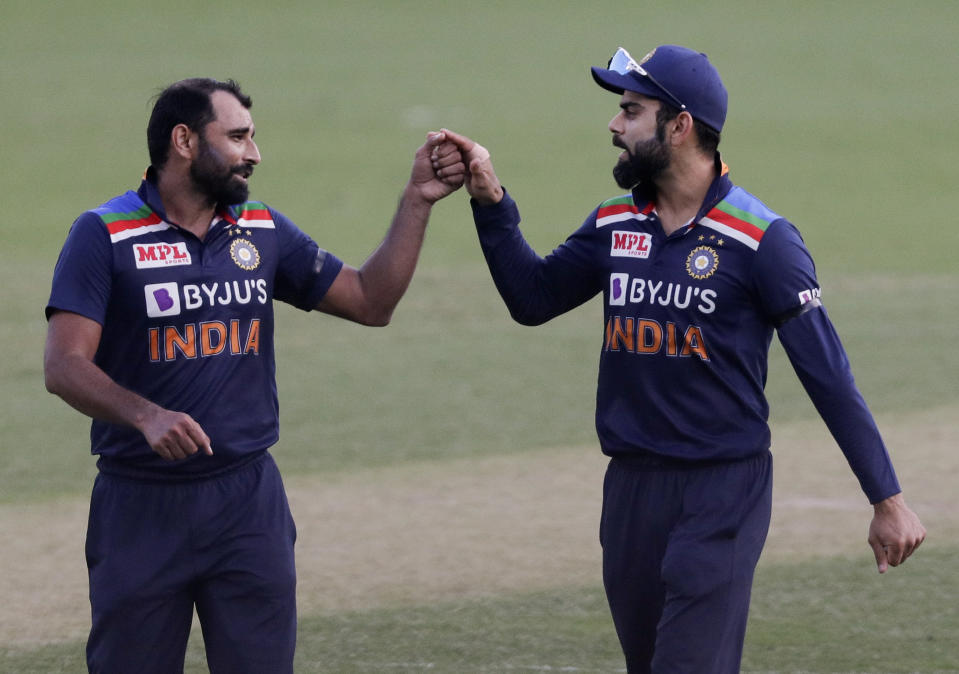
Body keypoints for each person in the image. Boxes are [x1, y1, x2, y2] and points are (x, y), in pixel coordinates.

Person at [440, 45, 926, 673]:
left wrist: (886, 497)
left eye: (631, 111)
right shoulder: (618, 221)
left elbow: (827, 373)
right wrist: (491, 202)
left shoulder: (763, 240)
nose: (615, 126)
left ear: (680, 125)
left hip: (722, 489)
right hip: (631, 492)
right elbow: (533, 299)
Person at [43, 77, 465, 673]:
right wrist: (146, 415)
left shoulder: (260, 228)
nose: (254, 154)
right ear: (184, 140)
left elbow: (370, 301)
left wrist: (418, 200)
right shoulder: (105, 233)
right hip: (140, 506)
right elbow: (63, 366)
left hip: (247, 505)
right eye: (238, 137)